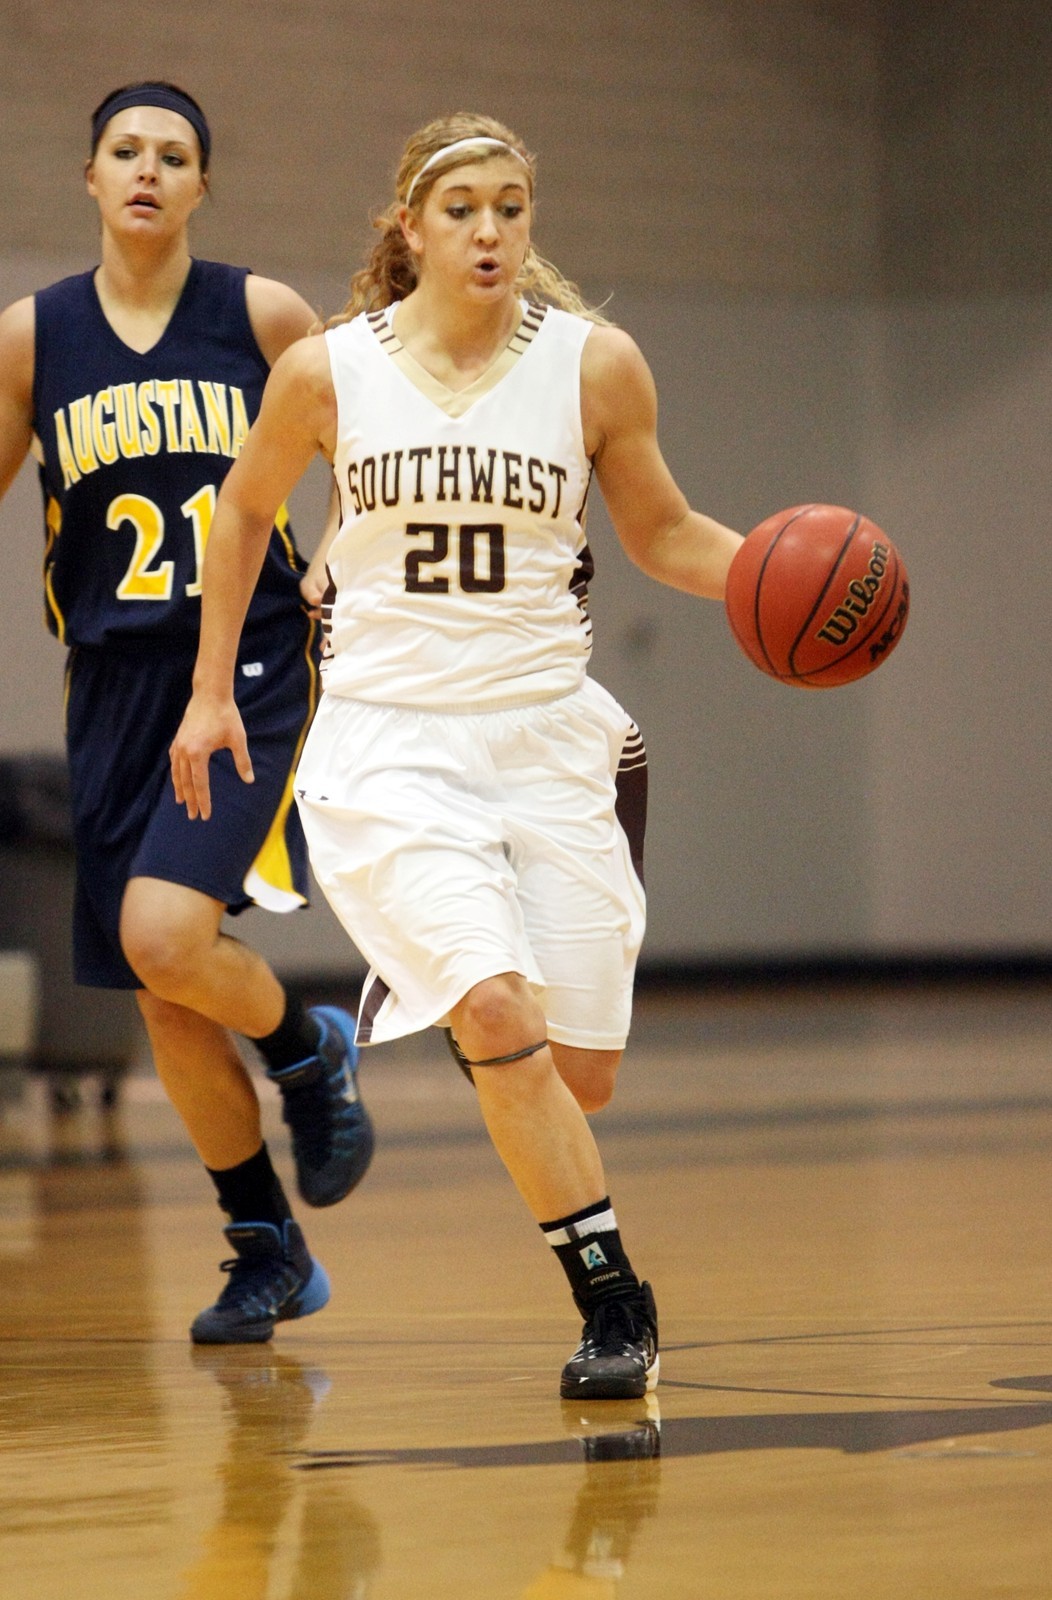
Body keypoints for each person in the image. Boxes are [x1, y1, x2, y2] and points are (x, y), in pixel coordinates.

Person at [170, 111, 743, 1398]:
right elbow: (247, 511)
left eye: (510, 208)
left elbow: (660, 531)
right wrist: (213, 693)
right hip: (389, 748)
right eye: (462, 209)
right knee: (496, 1013)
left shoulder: (596, 367)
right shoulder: (328, 370)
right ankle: (612, 1303)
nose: (489, 230)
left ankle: (490, 1031)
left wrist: (767, 573)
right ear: (410, 228)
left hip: (547, 739)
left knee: (573, 1075)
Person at [0, 81, 374, 1345]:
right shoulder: (31, 337)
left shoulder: (261, 315)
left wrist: (332, 558)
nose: (148, 170)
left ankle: (310, 1049)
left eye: (174, 155)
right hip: (111, 688)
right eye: (125, 151)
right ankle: (266, 1247)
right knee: (163, 997)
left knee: (164, 935)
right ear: (91, 178)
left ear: (202, 185)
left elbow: (370, 455)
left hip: (249, 666)